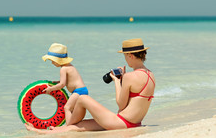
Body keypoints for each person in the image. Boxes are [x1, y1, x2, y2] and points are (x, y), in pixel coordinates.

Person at [25, 38, 155, 133]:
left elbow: (121, 105)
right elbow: (131, 104)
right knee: (79, 126)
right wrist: (123, 81)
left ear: (130, 56)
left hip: (121, 122)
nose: (125, 59)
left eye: (125, 56)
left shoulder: (129, 77)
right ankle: (51, 131)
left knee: (82, 99)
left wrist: (116, 80)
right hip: (134, 123)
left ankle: (45, 130)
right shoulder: (151, 75)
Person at [41, 43, 88, 125]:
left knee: (67, 108)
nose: (52, 63)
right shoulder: (69, 66)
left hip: (78, 92)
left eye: (52, 61)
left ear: (58, 60)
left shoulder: (63, 69)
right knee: (73, 111)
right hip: (82, 90)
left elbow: (62, 85)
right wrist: (57, 82)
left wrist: (50, 89)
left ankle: (68, 127)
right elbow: (67, 81)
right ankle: (74, 125)